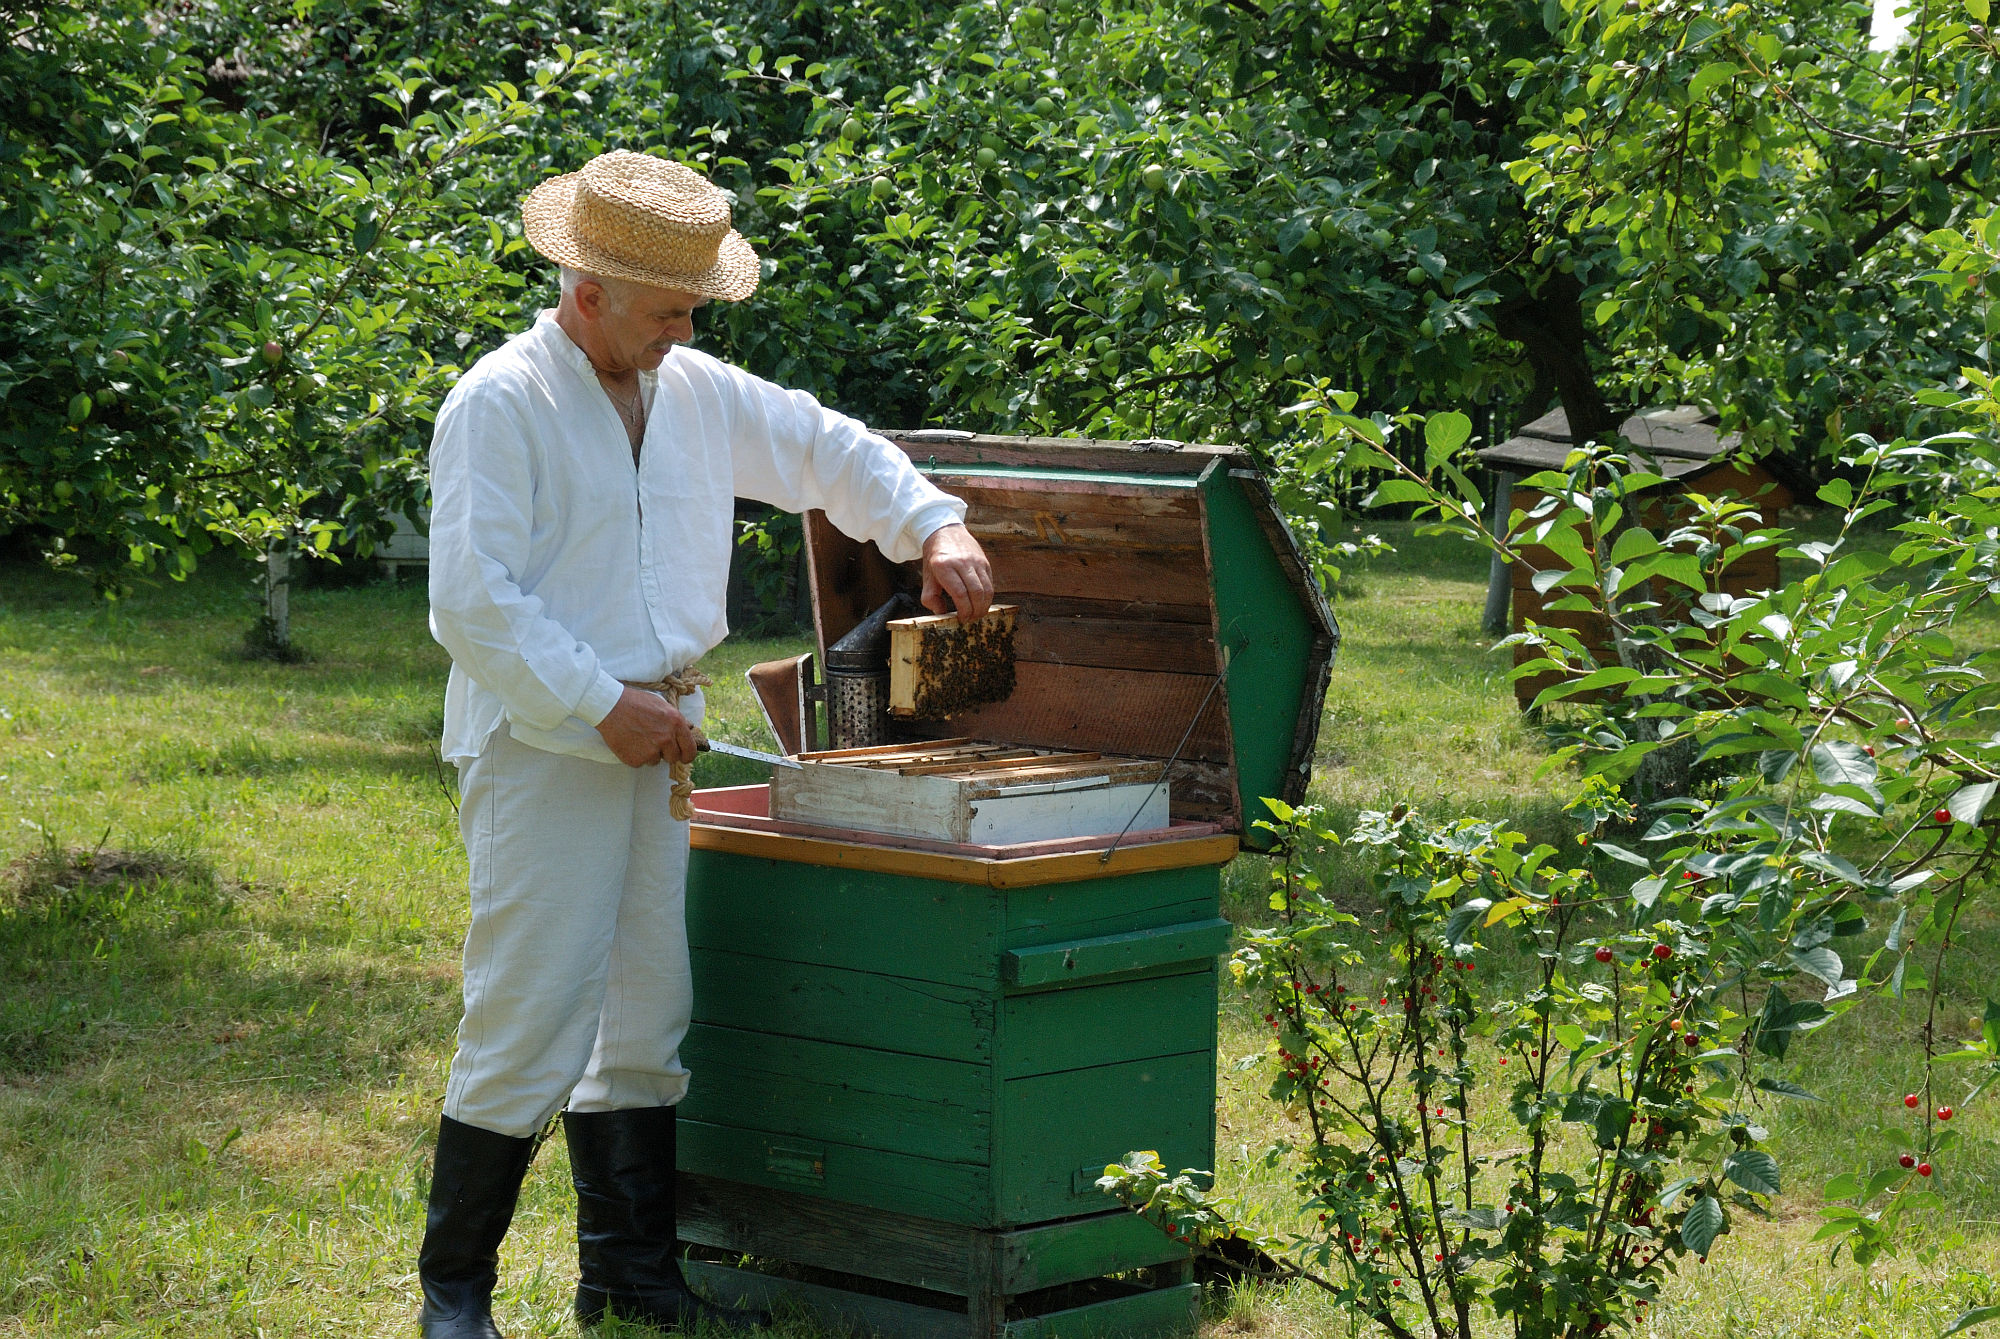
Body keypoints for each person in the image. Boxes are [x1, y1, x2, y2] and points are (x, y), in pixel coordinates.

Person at [419, 149, 993, 1339]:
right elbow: (472, 598)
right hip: (542, 744)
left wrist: (932, 522)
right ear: (588, 293)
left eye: (694, 307)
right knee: (530, 1009)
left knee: (646, 1007)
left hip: (659, 735)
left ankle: (627, 1279)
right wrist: (597, 703)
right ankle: (453, 1295)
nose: (687, 327)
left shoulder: (688, 389)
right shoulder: (501, 400)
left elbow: (823, 444)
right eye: (670, 307)